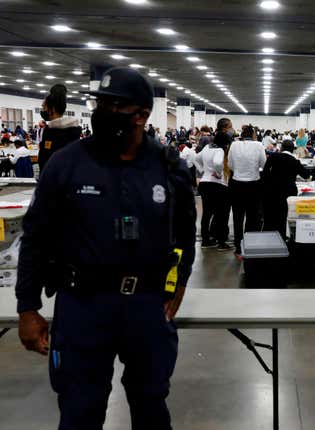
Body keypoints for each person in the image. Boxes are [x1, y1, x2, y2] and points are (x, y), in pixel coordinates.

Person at [15, 67, 196, 430]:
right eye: (101, 103)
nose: (103, 112)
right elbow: (35, 235)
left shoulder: (167, 167)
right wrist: (27, 307)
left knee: (151, 406)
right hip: (83, 305)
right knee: (80, 410)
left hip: (146, 307)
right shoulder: (67, 163)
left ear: (142, 115)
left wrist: (177, 284)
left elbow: (185, 236)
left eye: (116, 106)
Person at [227, 124, 266, 258]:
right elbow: (263, 164)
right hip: (254, 185)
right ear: (254, 134)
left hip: (237, 184)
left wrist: (239, 169)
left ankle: (238, 249)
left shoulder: (234, 145)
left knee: (237, 218)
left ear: (242, 134)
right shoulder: (259, 145)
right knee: (252, 218)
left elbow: (230, 165)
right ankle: (249, 247)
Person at [195, 118, 233, 250]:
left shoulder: (206, 147)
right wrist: (218, 173)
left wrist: (203, 170)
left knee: (206, 214)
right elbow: (218, 163)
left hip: (204, 184)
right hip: (217, 185)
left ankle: (205, 241)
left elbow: (195, 159)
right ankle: (221, 242)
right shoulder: (220, 150)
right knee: (221, 214)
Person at [261, 139, 311, 238]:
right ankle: (283, 237)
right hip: (288, 193)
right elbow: (306, 175)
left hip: (272, 192)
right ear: (293, 150)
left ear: (281, 148)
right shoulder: (295, 161)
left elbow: (265, 172)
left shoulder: (273, 156)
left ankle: (268, 237)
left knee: (271, 216)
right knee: (284, 216)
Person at [38, 84, 82, 172]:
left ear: (52, 109)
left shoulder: (68, 132)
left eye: (44, 107)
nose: (42, 110)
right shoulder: (49, 129)